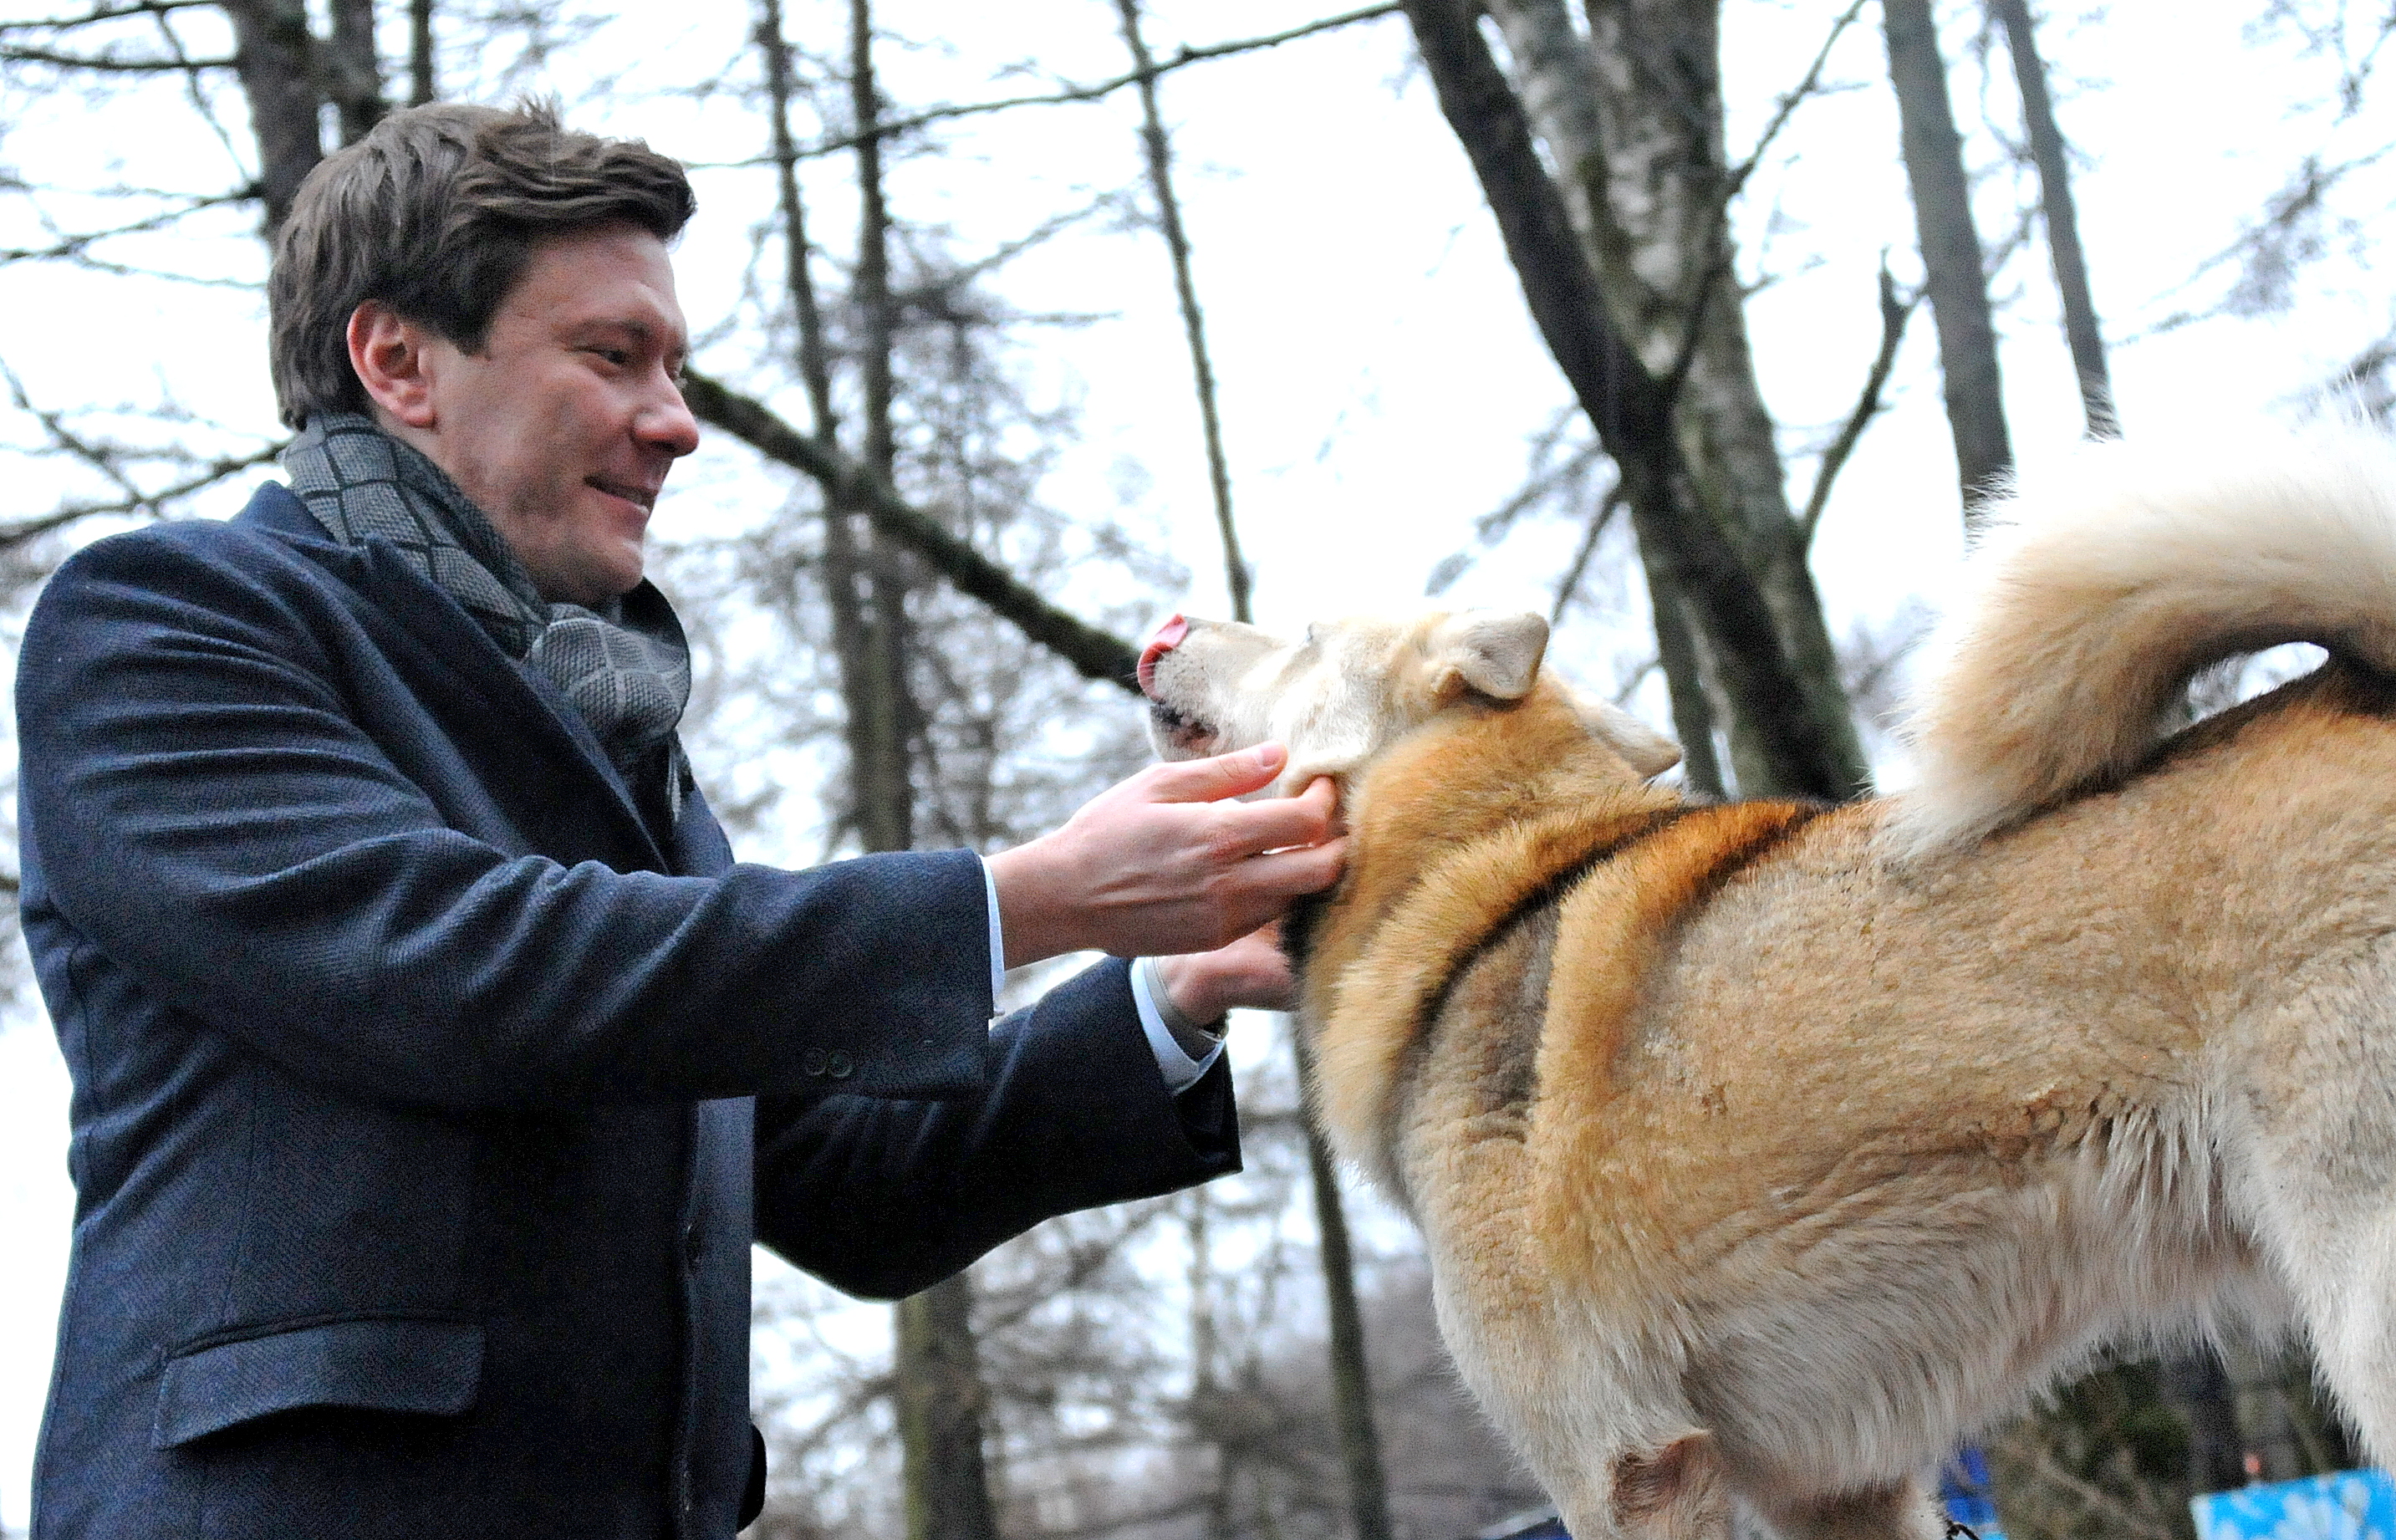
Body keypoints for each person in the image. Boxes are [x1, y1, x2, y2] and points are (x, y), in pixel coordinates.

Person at [16, 101, 1341, 1539]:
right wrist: (1025, 896)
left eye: (678, 367)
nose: (677, 422)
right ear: (397, 361)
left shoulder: (617, 738)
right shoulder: (166, 620)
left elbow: (848, 1184)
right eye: (613, 355)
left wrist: (1174, 985)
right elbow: (456, 972)